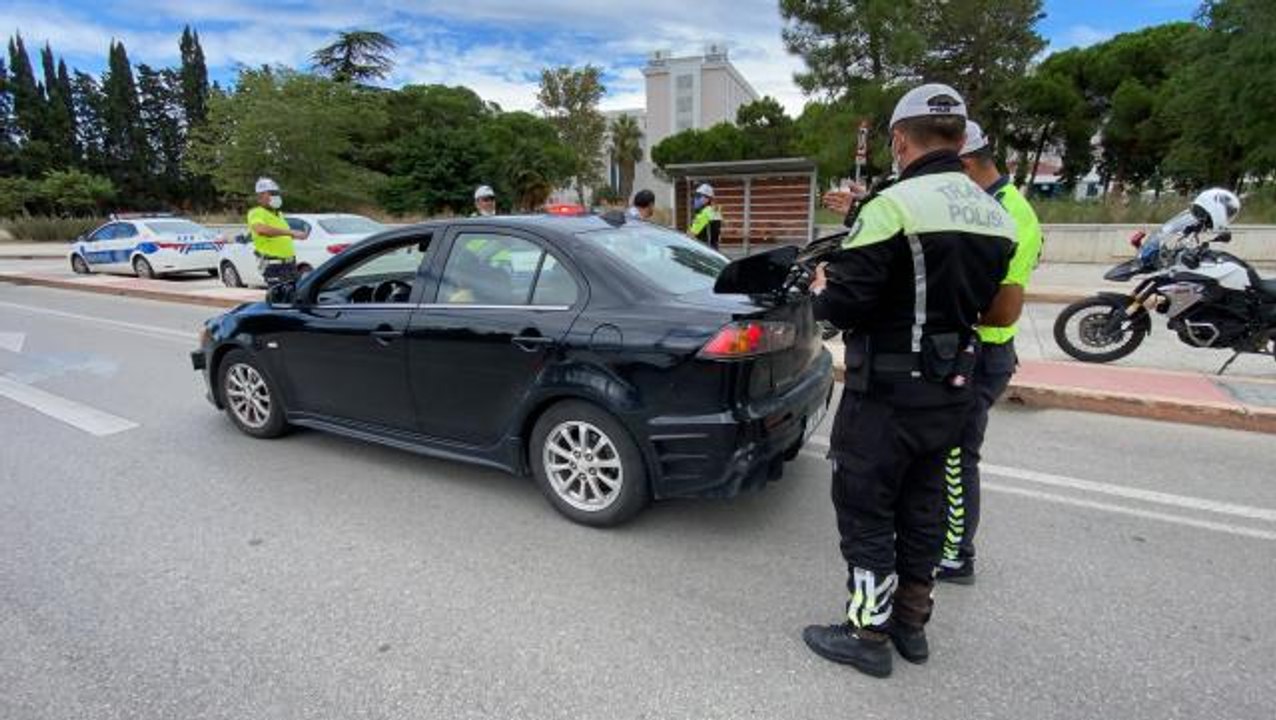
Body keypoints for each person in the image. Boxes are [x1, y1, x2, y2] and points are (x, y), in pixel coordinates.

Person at [801, 84, 1017, 679]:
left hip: (887, 395)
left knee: (866, 508)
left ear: (899, 140)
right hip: (953, 388)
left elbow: (846, 306)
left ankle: (866, 632)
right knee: (924, 507)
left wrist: (823, 286)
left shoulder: (893, 205)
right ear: (958, 137)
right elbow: (991, 304)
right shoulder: (994, 212)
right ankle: (911, 625)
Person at [934, 120, 1044, 585]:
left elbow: (1002, 312)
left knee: (957, 456)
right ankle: (940, 538)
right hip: (968, 351)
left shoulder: (1010, 214)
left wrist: (941, 310)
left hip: (982, 355)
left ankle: (957, 554)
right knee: (942, 454)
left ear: (964, 163)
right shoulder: (982, 205)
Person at [247, 177, 306, 286]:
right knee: (280, 299)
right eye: (272, 193)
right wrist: (291, 233)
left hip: (290, 264)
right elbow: (261, 230)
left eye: (277, 193)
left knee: (294, 297)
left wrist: (296, 235)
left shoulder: (279, 215)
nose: (276, 196)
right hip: (274, 266)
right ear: (260, 196)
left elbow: (281, 235)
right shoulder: (256, 212)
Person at [688, 183, 723, 250]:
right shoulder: (715, 211)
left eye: (698, 196)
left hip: (704, 249)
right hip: (714, 249)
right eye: (695, 196)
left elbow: (691, 235)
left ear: (707, 199)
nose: (695, 199)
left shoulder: (704, 213)